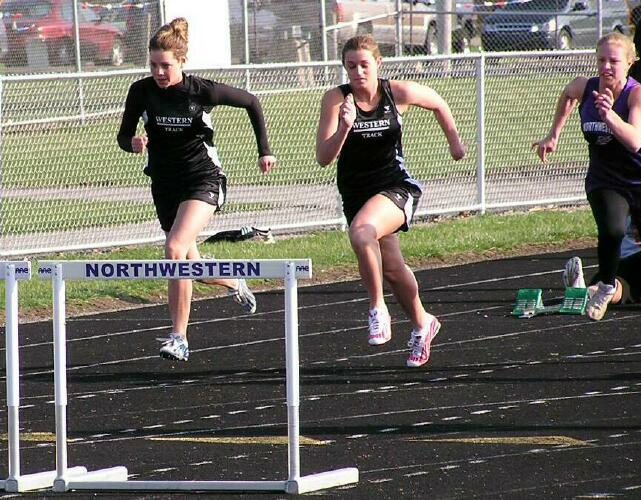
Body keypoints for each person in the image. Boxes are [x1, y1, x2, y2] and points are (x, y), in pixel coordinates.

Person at [117, 18, 276, 361]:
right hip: (165, 185)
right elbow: (123, 136)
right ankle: (232, 281)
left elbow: (252, 102)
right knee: (192, 266)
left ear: (182, 61)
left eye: (166, 65)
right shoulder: (141, 91)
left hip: (203, 179)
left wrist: (264, 150)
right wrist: (133, 144)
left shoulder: (201, 91)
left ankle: (179, 338)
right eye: (153, 65)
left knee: (174, 250)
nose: (159, 72)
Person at [315, 35, 466, 368]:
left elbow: (438, 102)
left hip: (395, 187)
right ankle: (423, 323)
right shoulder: (336, 99)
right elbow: (324, 157)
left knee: (362, 232)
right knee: (394, 269)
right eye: (351, 66)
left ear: (378, 64)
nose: (358, 72)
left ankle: (377, 308)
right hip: (356, 194)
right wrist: (344, 127)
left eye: (364, 65)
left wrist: (455, 143)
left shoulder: (396, 93)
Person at [532, 32, 641, 321]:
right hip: (606, 180)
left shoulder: (636, 94)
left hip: (638, 180)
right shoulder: (586, 86)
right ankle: (605, 287)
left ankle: (589, 288)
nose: (606, 67)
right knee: (613, 230)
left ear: (630, 63)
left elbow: (635, 141)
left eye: (613, 61)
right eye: (601, 60)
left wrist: (609, 116)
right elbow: (568, 94)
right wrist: (553, 134)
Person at [563, 217, 641, 306]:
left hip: (622, 259)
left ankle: (584, 293)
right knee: (612, 285)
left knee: (610, 285)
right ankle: (584, 293)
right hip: (626, 261)